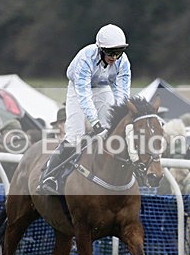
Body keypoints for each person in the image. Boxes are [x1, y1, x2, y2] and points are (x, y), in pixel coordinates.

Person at [37, 24, 132, 195]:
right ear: (100, 49)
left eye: (118, 52)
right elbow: (84, 95)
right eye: (110, 53)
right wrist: (95, 123)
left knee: (110, 131)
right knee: (74, 136)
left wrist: (119, 118)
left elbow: (122, 93)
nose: (114, 57)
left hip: (103, 88)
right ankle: (49, 176)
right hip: (78, 89)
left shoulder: (123, 62)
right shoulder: (85, 58)